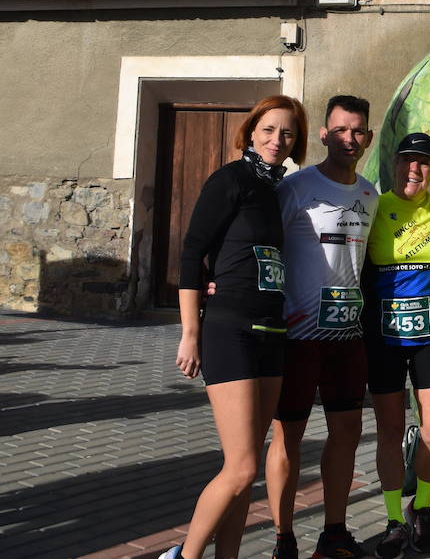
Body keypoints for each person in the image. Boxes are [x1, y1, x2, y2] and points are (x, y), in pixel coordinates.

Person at [160, 95, 307, 559]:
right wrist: (190, 332)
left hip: (272, 333)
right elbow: (190, 255)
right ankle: (185, 556)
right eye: (268, 130)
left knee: (247, 472)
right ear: (251, 132)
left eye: (286, 133)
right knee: (242, 468)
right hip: (230, 330)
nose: (276, 140)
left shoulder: (278, 190)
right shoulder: (230, 180)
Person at [268, 95, 377, 559]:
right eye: (340, 130)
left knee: (347, 432)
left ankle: (334, 532)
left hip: (347, 337)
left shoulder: (370, 194)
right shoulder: (295, 188)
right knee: (288, 436)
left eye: (357, 131)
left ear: (368, 138)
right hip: (296, 337)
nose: (348, 139)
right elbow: (256, 243)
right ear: (324, 135)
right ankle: (282, 538)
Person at [364, 132, 430, 558]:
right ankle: (393, 520)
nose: (413, 170)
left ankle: (421, 507)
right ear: (394, 166)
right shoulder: (374, 206)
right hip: (384, 338)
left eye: (423, 163)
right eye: (407, 161)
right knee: (388, 433)